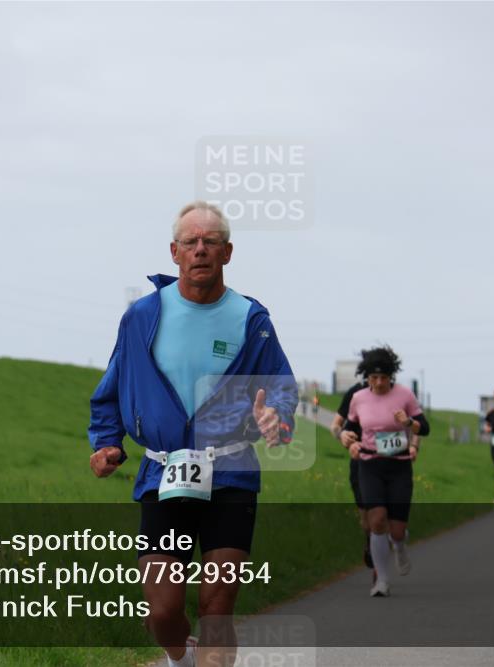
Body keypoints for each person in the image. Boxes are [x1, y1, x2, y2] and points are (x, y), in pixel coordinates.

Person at [88, 201, 297, 667]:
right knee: (163, 612)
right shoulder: (142, 316)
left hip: (231, 472)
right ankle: (181, 659)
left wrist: (277, 421)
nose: (200, 249)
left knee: (216, 608)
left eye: (210, 242)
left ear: (227, 252)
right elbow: (112, 387)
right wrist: (106, 442)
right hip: (163, 473)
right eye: (191, 242)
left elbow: (281, 388)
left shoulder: (251, 319)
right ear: (174, 252)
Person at [342, 346, 430, 597]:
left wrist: (408, 423)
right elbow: (350, 428)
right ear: (366, 377)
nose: (379, 383)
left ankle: (400, 545)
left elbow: (424, 428)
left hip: (399, 466)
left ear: (391, 376)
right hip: (370, 465)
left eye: (383, 378)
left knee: (397, 529)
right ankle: (381, 580)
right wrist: (350, 440)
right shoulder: (358, 398)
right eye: (373, 378)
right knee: (377, 520)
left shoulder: (405, 395)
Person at [329, 374, 371, 571]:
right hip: (360, 460)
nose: (377, 381)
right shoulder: (355, 392)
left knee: (382, 515)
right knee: (366, 518)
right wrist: (342, 435)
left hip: (389, 463)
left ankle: (381, 572)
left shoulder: (397, 394)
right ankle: (370, 539)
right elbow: (335, 426)